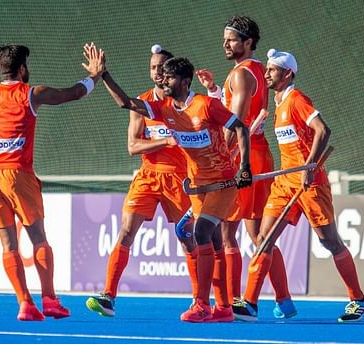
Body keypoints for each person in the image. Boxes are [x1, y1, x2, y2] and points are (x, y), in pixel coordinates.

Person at [84, 42, 252, 322]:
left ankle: (203, 304)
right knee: (204, 237)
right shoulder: (162, 108)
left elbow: (240, 127)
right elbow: (126, 102)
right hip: (194, 185)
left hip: (219, 182)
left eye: (168, 75)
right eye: (157, 72)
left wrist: (244, 168)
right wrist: (103, 76)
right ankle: (222, 307)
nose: (162, 78)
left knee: (198, 235)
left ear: (184, 81)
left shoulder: (206, 105)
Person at [0, 44, 105, 321]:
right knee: (38, 238)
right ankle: (49, 300)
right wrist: (94, 76)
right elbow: (73, 94)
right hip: (18, 175)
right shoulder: (31, 94)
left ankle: (25, 304)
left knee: (8, 245)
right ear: (22, 69)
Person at [232, 48, 364, 323]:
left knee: (329, 241)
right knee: (263, 238)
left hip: (310, 183)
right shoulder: (277, 103)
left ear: (287, 73)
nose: (267, 74)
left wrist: (310, 166)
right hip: (285, 182)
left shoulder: (296, 99)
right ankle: (250, 304)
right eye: (267, 69)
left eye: (272, 70)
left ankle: (359, 299)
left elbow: (323, 130)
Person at [85, 44, 198, 318]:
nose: (157, 72)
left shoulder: (186, 103)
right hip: (148, 177)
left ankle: (201, 300)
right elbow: (133, 146)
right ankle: (108, 296)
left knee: (188, 239)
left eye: (162, 67)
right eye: (152, 67)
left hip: (180, 179)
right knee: (126, 230)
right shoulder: (142, 103)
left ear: (172, 72)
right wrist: (164, 141)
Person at [195, 15, 296, 320]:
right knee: (255, 234)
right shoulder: (251, 72)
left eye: (231, 39)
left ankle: (234, 302)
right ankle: (283, 301)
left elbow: (234, 124)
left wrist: (218, 158)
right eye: (225, 38)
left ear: (248, 42)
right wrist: (214, 90)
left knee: (227, 232)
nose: (225, 43)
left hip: (242, 157)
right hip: (255, 153)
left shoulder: (241, 74)